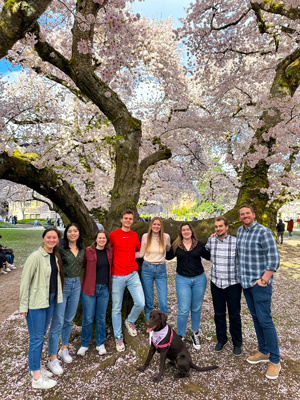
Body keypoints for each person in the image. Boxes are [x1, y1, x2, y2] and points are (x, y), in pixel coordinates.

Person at [237, 205, 281, 380]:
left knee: (265, 319)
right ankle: (263, 351)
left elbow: (274, 258)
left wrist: (264, 279)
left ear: (253, 215)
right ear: (240, 217)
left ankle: (275, 360)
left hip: (260, 284)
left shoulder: (264, 232)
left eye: (248, 213)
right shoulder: (240, 231)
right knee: (256, 318)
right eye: (242, 214)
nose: (245, 216)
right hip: (246, 283)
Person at [19, 228, 64, 389]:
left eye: (55, 237)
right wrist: (23, 305)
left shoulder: (55, 256)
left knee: (40, 335)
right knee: (36, 338)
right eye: (49, 237)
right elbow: (25, 283)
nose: (52, 240)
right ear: (43, 238)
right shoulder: (35, 257)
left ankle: (35, 368)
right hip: (36, 303)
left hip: (49, 300)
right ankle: (37, 378)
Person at [167, 222, 210, 350]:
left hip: (199, 279)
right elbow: (167, 257)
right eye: (183, 230)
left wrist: (214, 239)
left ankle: (195, 333)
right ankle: (180, 336)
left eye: (188, 229)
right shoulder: (176, 246)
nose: (186, 231)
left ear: (191, 231)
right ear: (180, 232)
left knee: (196, 308)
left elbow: (209, 256)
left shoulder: (198, 244)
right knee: (183, 310)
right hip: (182, 280)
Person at [48, 223, 84, 375]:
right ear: (66, 233)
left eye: (75, 231)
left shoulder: (83, 250)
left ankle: (64, 348)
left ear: (78, 233)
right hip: (64, 285)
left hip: (77, 285)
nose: (73, 233)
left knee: (69, 319)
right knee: (58, 321)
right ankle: (52, 358)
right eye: (70, 231)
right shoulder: (61, 249)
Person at [205, 217, 242, 356]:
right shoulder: (211, 241)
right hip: (216, 283)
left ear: (226, 227)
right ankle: (221, 339)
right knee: (218, 314)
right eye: (216, 227)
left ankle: (237, 343)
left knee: (234, 315)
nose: (218, 229)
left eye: (220, 226)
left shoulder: (235, 242)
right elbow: (206, 252)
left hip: (232, 284)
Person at [109, 209, 145, 352]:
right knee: (116, 308)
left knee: (140, 302)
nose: (128, 220)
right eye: (126, 218)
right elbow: (107, 250)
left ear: (133, 220)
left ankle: (130, 321)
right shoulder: (113, 235)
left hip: (132, 274)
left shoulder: (134, 235)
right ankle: (118, 336)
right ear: (121, 219)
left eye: (130, 219)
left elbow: (137, 251)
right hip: (117, 275)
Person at [77, 230, 113, 357]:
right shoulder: (88, 251)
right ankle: (85, 343)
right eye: (100, 238)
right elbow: (79, 265)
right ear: (95, 239)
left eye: (104, 238)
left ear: (106, 240)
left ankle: (100, 343)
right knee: (88, 317)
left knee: (101, 317)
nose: (102, 240)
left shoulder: (110, 252)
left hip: (104, 289)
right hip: (89, 289)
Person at [135, 217, 171, 321]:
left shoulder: (166, 237)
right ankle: (150, 325)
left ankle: (163, 326)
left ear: (161, 226)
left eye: (158, 224)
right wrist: (125, 255)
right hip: (147, 269)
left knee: (163, 302)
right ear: (151, 225)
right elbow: (141, 253)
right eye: (154, 224)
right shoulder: (146, 236)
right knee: (149, 302)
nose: (156, 226)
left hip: (161, 269)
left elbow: (167, 249)